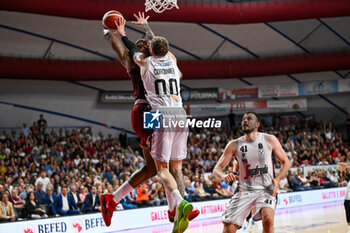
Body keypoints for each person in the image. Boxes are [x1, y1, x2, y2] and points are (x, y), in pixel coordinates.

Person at [100, 12, 198, 227]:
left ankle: (114, 199)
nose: (143, 43)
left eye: (145, 42)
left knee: (154, 168)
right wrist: (111, 31)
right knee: (163, 166)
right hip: (146, 112)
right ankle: (176, 207)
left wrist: (142, 29)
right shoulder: (137, 61)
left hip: (156, 113)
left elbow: (158, 45)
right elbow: (121, 49)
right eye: (140, 43)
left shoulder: (155, 59)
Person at [133, 31, 194, 232]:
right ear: (166, 50)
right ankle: (174, 211)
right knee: (176, 167)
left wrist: (123, 35)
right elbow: (165, 51)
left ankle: (179, 202)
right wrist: (147, 27)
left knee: (161, 168)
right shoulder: (173, 61)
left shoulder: (145, 63)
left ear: (149, 50)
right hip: (181, 113)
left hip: (155, 112)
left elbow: (131, 53)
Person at [213, 112, 291, 233]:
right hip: (243, 190)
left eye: (249, 119)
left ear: (257, 124)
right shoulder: (234, 144)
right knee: (228, 227)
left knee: (268, 219)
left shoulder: (269, 139)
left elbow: (286, 162)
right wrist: (224, 176)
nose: (245, 121)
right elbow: (216, 169)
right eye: (244, 119)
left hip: (266, 188)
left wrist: (277, 179)